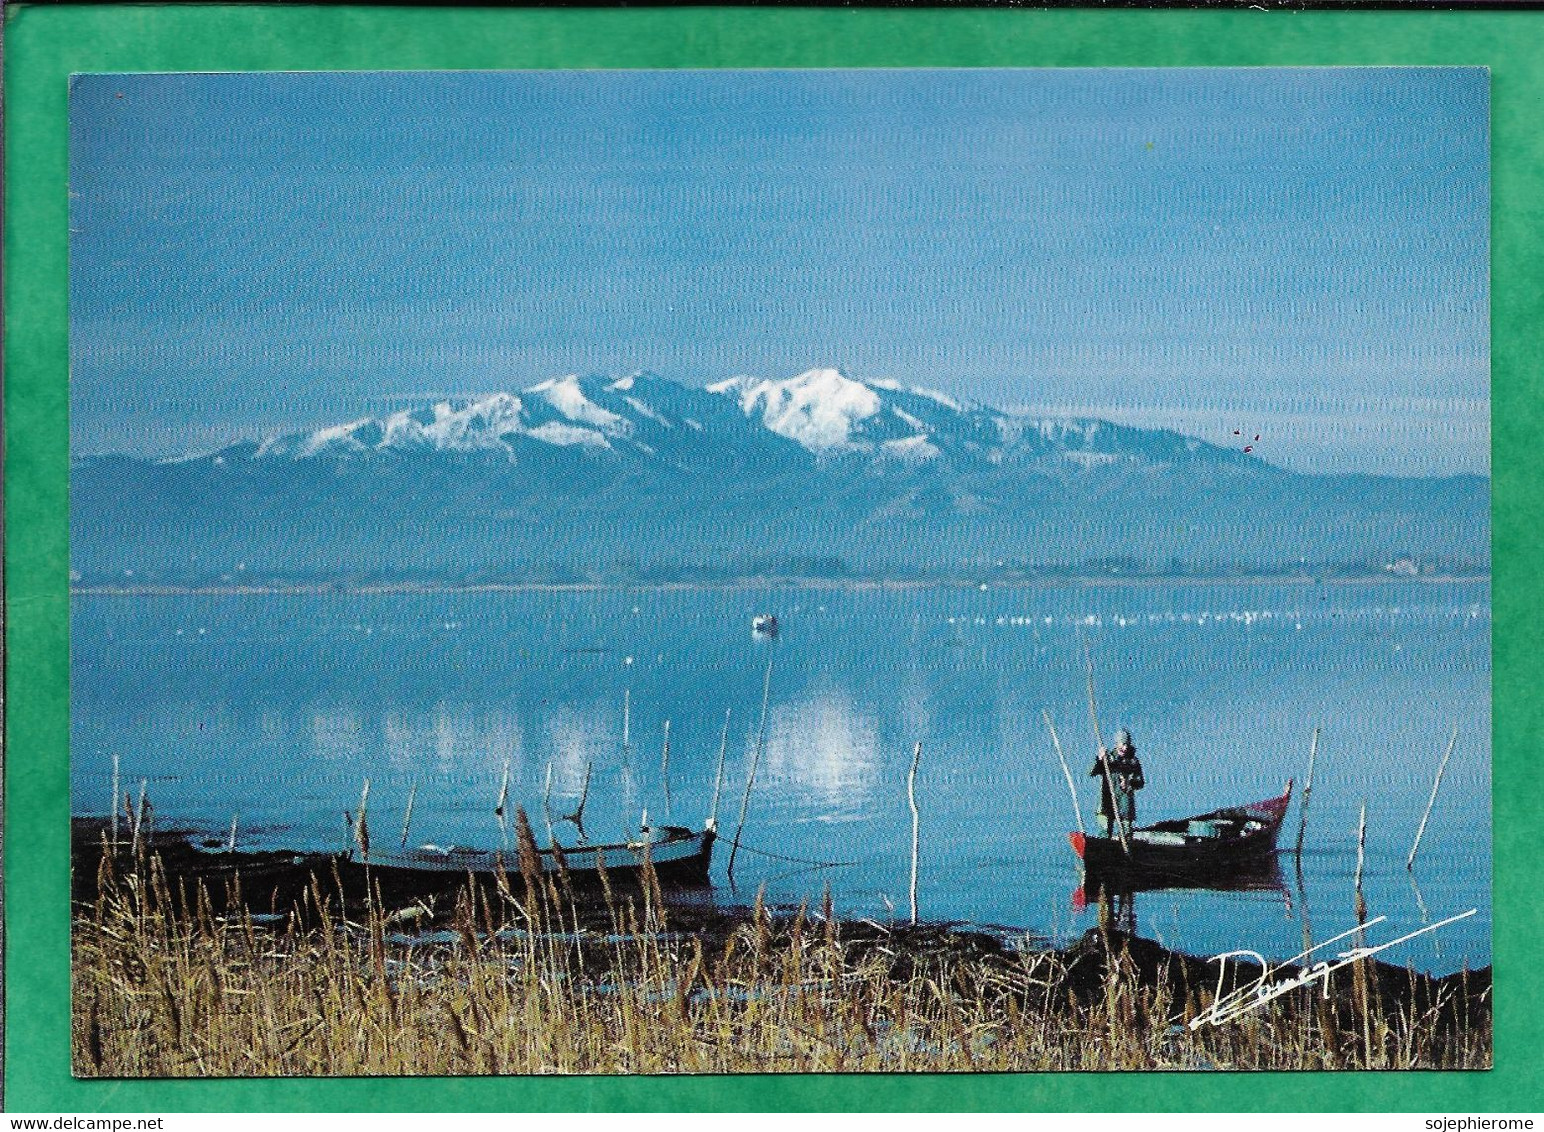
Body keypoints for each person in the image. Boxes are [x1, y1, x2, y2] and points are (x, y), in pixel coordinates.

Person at [1089, 728, 1145, 839]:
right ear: (1117, 743)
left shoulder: (1133, 761)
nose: (1125, 748)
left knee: (1126, 834)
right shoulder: (1107, 758)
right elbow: (1092, 772)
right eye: (1123, 744)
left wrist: (1129, 783)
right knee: (1105, 833)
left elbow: (1140, 783)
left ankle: (1126, 852)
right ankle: (1105, 851)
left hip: (1125, 803)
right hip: (1107, 801)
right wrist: (1099, 759)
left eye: (1127, 745)